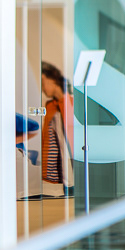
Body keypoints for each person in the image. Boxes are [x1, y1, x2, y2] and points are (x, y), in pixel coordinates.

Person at [40, 62, 75, 194]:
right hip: (57, 170)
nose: (43, 89)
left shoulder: (70, 102)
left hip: (72, 167)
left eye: (43, 83)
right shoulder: (50, 106)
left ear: (52, 79)